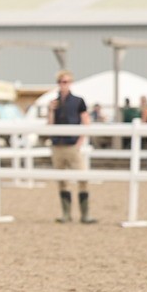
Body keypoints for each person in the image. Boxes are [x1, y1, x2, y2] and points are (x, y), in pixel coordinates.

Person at [48, 70, 94, 223]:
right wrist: (51, 110)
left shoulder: (78, 101)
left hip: (72, 145)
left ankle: (85, 214)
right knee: (62, 180)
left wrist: (80, 142)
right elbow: (49, 125)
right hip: (58, 145)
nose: (63, 85)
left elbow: (85, 121)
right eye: (61, 82)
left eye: (66, 82)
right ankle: (66, 213)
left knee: (82, 178)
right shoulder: (54, 102)